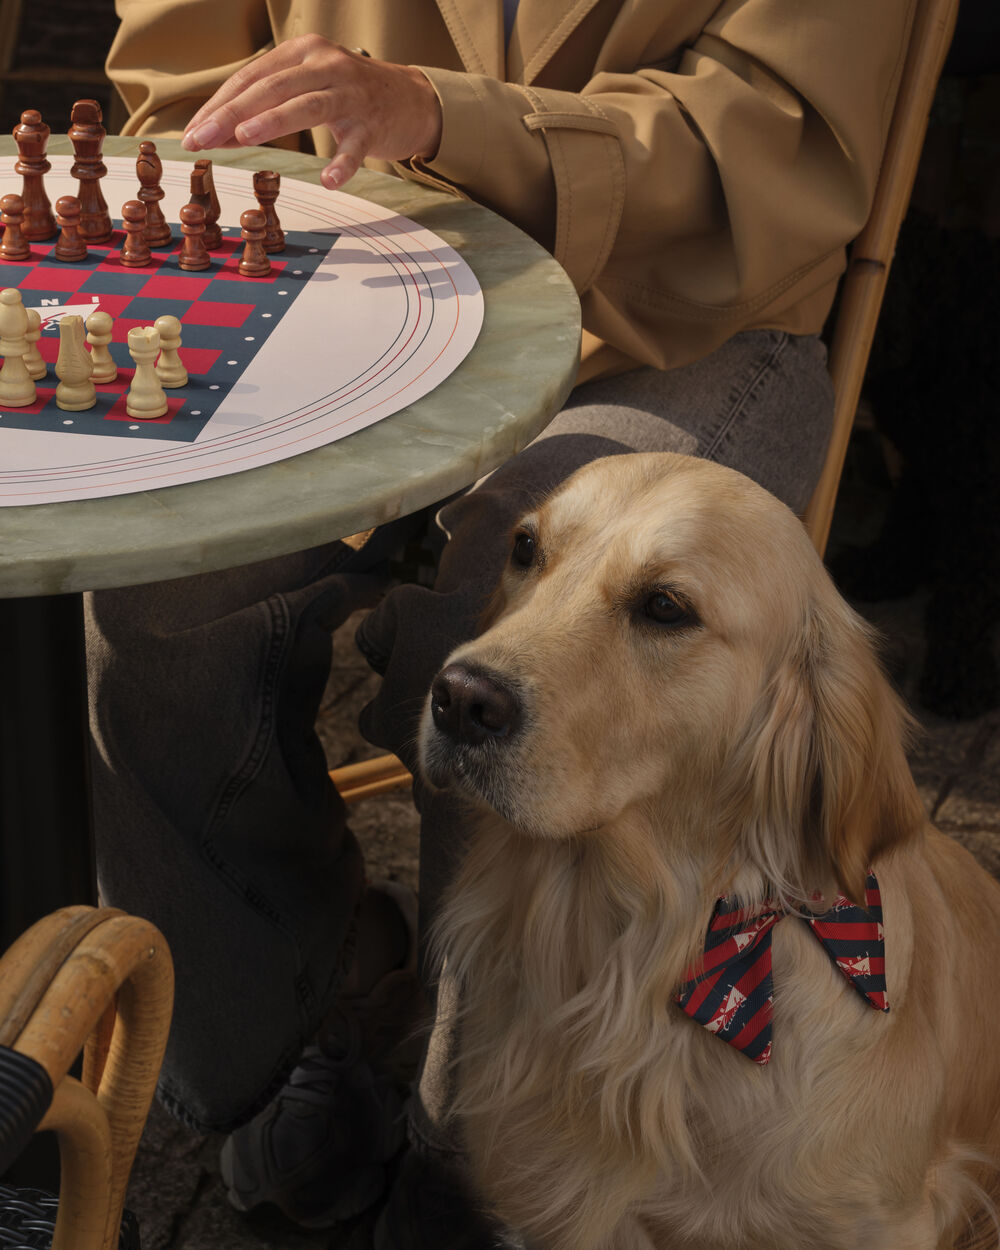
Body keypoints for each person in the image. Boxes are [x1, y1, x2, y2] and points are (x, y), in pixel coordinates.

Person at [100, 1, 916, 1244]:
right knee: (153, 588)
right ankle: (280, 1038)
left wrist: (443, 116)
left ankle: (475, 1125)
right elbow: (180, 72)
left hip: (668, 320)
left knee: (510, 641)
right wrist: (272, 170)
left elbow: (778, 145)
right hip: (344, 280)